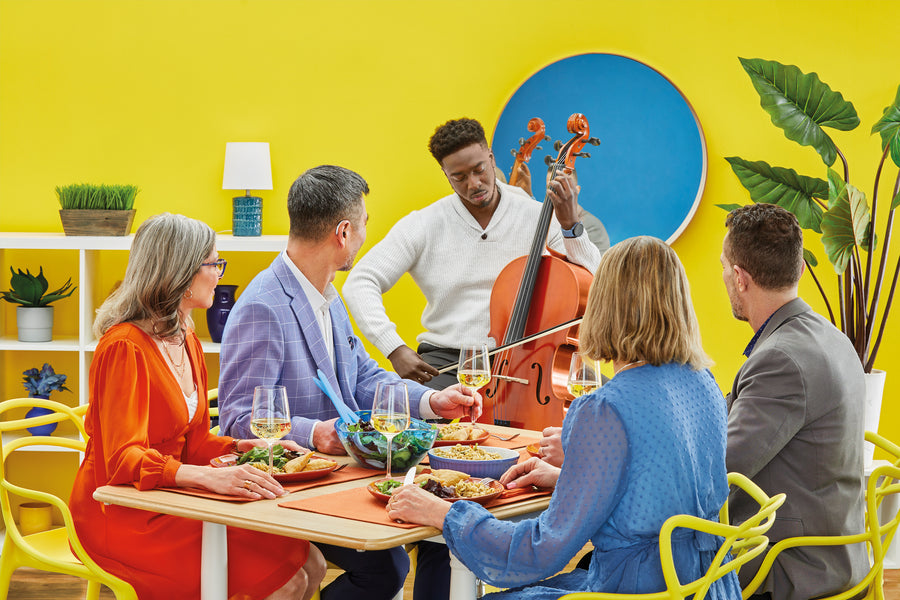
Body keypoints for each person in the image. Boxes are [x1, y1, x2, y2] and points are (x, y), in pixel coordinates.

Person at [387, 236, 740, 599]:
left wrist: (446, 514)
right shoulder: (704, 384)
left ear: (605, 305)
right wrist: (567, 478)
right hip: (704, 585)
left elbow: (542, 550)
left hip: (636, 590)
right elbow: (656, 487)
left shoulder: (604, 409)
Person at [217, 165, 482, 600]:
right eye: (362, 225)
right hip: (294, 487)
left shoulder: (327, 294)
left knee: (439, 531)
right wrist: (315, 434)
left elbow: (364, 378)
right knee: (385, 565)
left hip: (347, 475)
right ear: (343, 232)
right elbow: (237, 420)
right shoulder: (263, 306)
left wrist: (434, 401)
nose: (363, 235)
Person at [69, 213, 326, 600]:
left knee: (313, 564)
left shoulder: (184, 335)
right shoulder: (124, 346)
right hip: (122, 512)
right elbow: (121, 460)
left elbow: (195, 441)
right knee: (286, 581)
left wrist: (240, 450)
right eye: (213, 264)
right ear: (180, 271)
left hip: (170, 496)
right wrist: (205, 477)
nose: (220, 273)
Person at [343, 117, 602, 390]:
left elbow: (593, 278)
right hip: (448, 361)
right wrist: (393, 347)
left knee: (601, 404)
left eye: (479, 169)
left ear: (491, 158)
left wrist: (571, 227)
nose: (474, 183)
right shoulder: (423, 224)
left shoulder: (536, 214)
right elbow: (360, 281)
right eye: (460, 177)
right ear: (445, 174)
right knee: (413, 417)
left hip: (527, 356)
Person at [720, 203, 868, 600]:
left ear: (739, 277)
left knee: (636, 568)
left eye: (723, 268)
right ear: (800, 270)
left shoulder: (780, 358)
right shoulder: (829, 337)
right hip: (839, 552)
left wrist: (599, 461)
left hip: (791, 568)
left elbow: (714, 469)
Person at [510, 161, 610, 254]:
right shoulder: (550, 219)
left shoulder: (593, 227)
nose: (555, 193)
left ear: (577, 190)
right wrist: (528, 198)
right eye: (550, 187)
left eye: (563, 187)